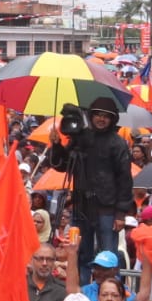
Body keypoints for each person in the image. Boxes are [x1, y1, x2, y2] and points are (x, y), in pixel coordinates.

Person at [52, 97, 134, 279]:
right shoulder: (80, 138)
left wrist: (121, 213)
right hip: (81, 207)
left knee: (108, 257)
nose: (101, 119)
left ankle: (111, 290)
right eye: (98, 115)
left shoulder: (118, 143)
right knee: (81, 255)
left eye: (106, 116)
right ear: (91, 116)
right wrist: (57, 146)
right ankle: (81, 291)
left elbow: (125, 180)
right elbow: (62, 166)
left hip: (107, 210)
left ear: (112, 119)